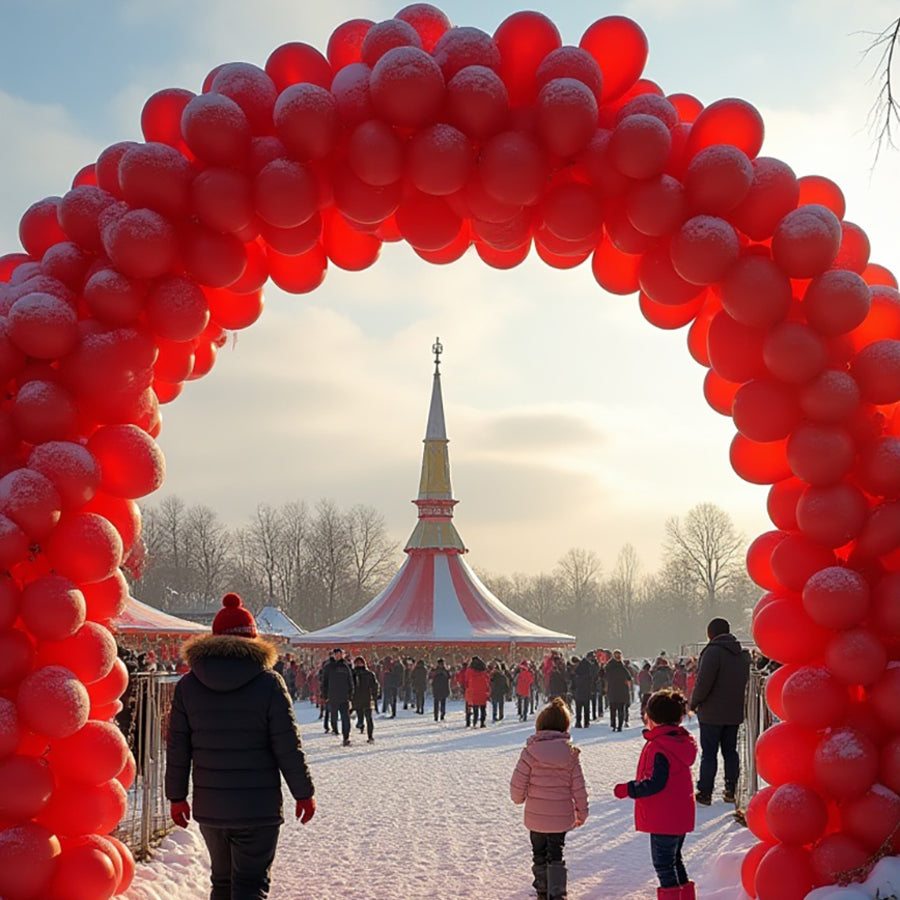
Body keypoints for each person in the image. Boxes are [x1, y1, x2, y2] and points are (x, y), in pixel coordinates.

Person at [166, 592, 315, 900]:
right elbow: (287, 744)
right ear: (253, 638)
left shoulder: (188, 686)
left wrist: (176, 797)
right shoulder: (269, 683)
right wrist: (303, 792)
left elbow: (178, 748)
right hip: (258, 808)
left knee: (222, 882)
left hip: (211, 806)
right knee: (251, 885)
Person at [613, 689, 698, 900]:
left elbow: (656, 783)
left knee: (664, 865)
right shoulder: (678, 742)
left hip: (664, 817)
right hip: (679, 814)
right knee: (674, 860)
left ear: (651, 719)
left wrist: (629, 789)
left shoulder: (660, 746)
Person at [510, 697, 589, 900]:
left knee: (538, 852)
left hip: (536, 816)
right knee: (556, 853)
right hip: (560, 817)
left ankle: (542, 890)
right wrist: (582, 812)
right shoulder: (570, 754)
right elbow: (579, 787)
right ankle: (557, 892)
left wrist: (519, 798)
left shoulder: (529, 753)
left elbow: (518, 783)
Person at [690, 617, 751, 805]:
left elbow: (703, 683)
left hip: (711, 712)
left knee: (709, 753)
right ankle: (732, 789)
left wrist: (694, 702)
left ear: (710, 634)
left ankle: (705, 791)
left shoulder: (712, 652)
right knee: (730, 751)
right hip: (734, 712)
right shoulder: (742, 654)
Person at [321, 647, 355, 746]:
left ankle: (346, 737)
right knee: (334, 716)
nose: (338, 656)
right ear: (333, 655)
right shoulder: (328, 667)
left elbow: (350, 681)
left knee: (346, 718)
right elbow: (324, 682)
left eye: (340, 654)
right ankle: (334, 729)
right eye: (336, 654)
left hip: (344, 696)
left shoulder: (345, 666)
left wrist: (350, 695)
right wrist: (325, 695)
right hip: (332, 696)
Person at [351, 655, 379, 743]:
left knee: (369, 718)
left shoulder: (369, 674)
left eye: (360, 663)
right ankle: (361, 725)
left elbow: (374, 685)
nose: (358, 664)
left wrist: (374, 695)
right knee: (360, 714)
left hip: (367, 698)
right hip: (356, 698)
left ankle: (370, 736)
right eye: (357, 663)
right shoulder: (352, 674)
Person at [605, 649, 632, 732]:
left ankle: (613, 725)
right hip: (621, 691)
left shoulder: (608, 667)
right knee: (621, 709)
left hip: (612, 690)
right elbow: (629, 678)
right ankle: (619, 726)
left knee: (613, 709)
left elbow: (603, 676)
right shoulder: (622, 667)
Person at [465, 655, 490, 727]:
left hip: (473, 691)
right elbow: (488, 680)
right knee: (483, 708)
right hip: (483, 691)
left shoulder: (469, 671)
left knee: (475, 708)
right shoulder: (484, 671)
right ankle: (482, 722)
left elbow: (466, 680)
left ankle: (474, 722)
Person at [572, 655, 594, 729]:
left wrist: (573, 689)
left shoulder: (577, 671)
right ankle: (586, 722)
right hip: (586, 690)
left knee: (578, 707)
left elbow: (574, 681)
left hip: (579, 690)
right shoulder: (588, 668)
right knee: (586, 707)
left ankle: (578, 722)